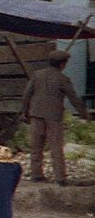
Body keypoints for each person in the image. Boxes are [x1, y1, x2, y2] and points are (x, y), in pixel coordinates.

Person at [20, 50, 89, 186]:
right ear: (62, 64)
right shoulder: (62, 79)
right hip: (54, 116)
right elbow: (73, 98)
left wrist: (24, 111)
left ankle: (36, 174)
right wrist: (84, 114)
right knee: (56, 146)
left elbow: (27, 94)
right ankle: (60, 177)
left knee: (36, 146)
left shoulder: (37, 75)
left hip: (36, 114)